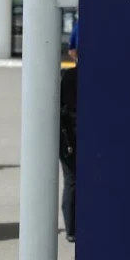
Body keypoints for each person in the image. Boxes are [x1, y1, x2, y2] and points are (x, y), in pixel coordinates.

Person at [59, 65, 77, 242]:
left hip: (66, 139)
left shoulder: (67, 76)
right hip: (74, 137)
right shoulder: (97, 75)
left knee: (71, 181)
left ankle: (72, 229)